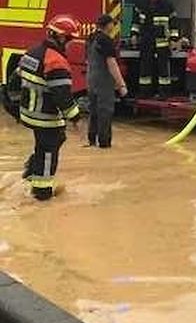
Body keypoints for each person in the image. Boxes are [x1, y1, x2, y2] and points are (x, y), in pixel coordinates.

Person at [18, 14, 82, 200]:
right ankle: (42, 194)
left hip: (28, 113)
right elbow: (63, 97)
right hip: (44, 117)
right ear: (62, 38)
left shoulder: (31, 52)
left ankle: (32, 169)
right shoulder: (56, 62)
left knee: (54, 139)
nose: (70, 45)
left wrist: (15, 109)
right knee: (48, 150)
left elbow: (15, 81)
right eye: (70, 40)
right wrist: (76, 119)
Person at [130, 0, 179, 97]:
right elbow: (135, 22)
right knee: (145, 69)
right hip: (146, 41)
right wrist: (134, 35)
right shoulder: (141, 4)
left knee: (163, 70)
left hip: (162, 42)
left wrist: (173, 40)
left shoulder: (167, 5)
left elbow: (174, 24)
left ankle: (164, 93)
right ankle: (145, 93)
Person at [86, 14, 127, 148]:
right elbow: (112, 64)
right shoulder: (106, 40)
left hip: (91, 79)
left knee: (93, 111)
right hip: (103, 81)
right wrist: (121, 84)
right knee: (105, 111)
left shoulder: (91, 38)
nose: (114, 26)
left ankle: (91, 140)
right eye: (112, 24)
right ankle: (104, 143)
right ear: (108, 25)